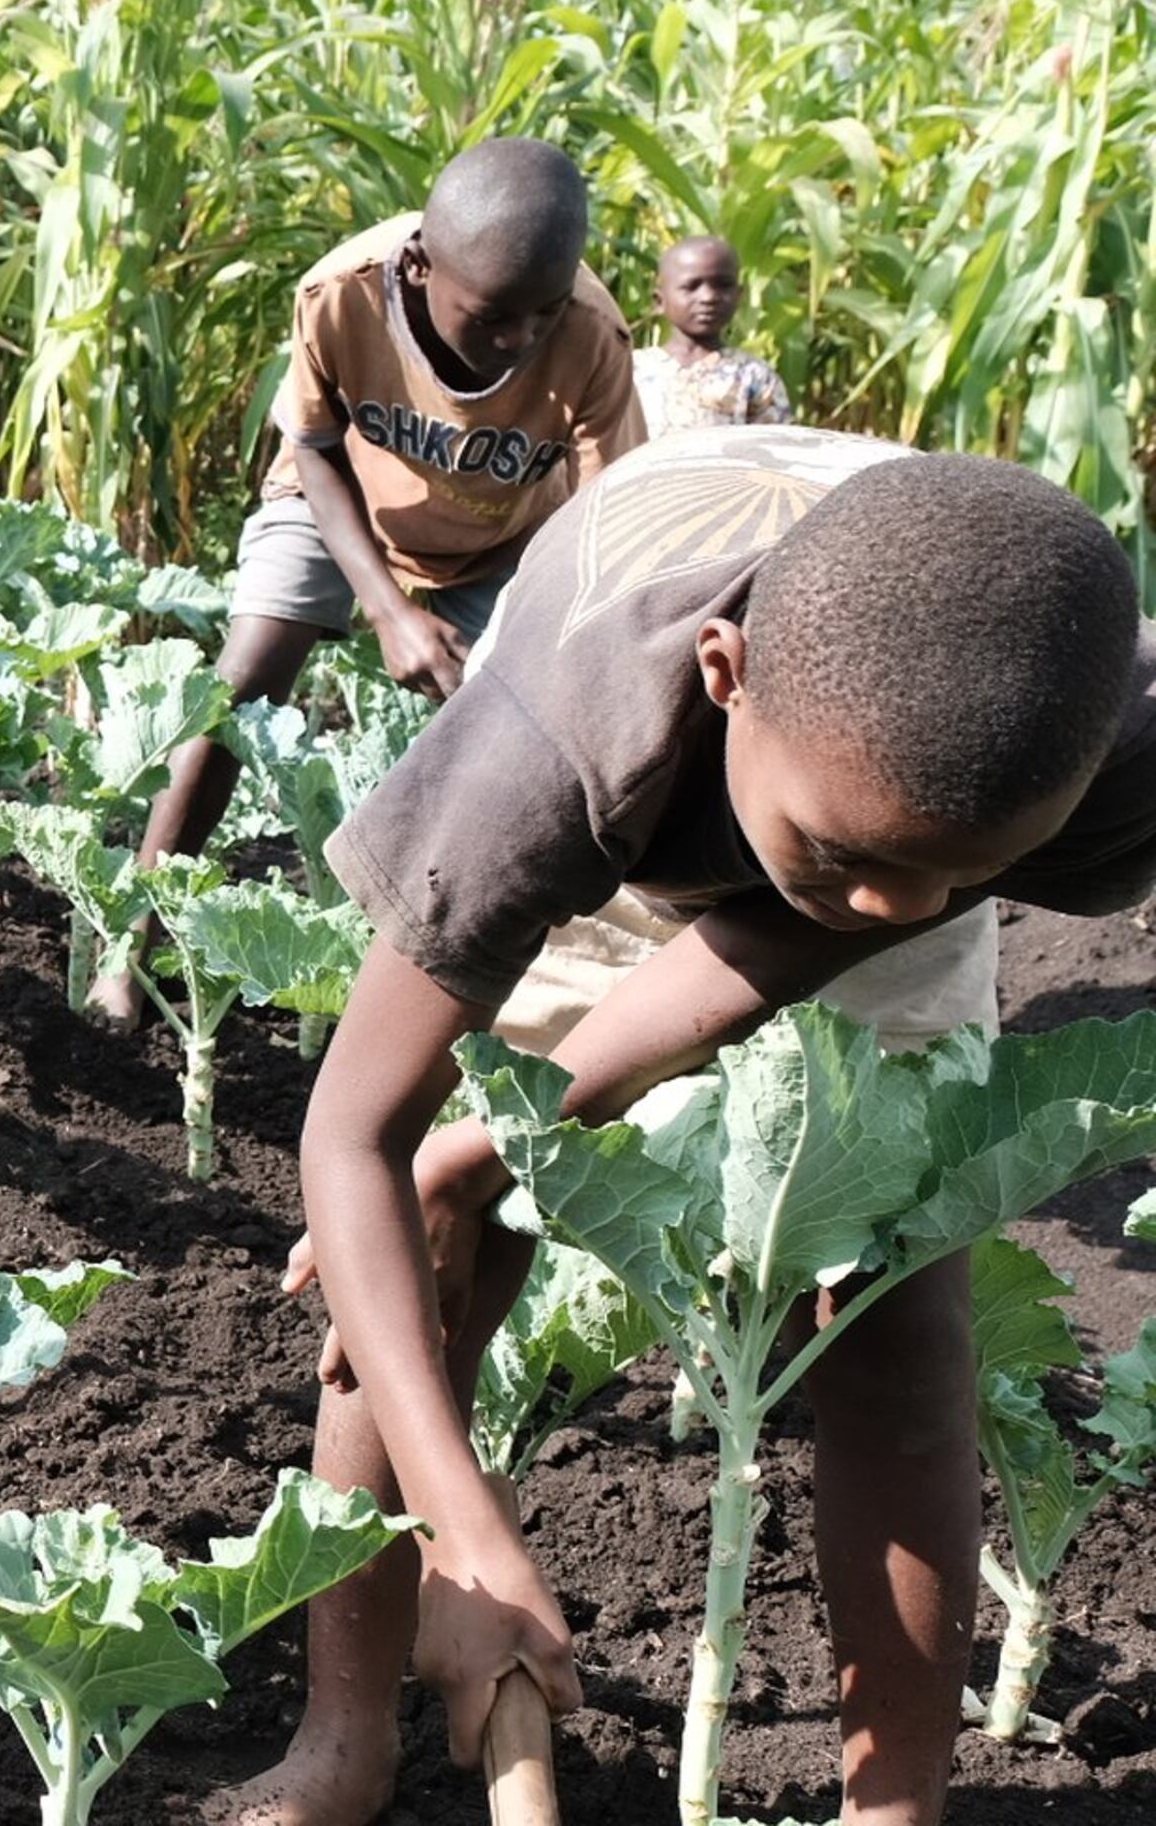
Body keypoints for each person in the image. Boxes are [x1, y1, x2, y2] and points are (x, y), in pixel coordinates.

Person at [231, 429, 1156, 1826]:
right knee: (413, 1255)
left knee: (894, 1312)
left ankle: (894, 1806)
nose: (902, 911)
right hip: (647, 783)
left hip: (885, 770)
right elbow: (350, 1136)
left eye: (962, 873)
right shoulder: (546, 759)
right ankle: (343, 1742)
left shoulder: (1072, 748)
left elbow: (828, 919)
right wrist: (466, 1536)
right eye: (862, 863)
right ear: (728, 678)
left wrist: (888, 872)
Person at [96, 138, 645, 1028]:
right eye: (494, 315)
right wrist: (388, 610)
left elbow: (608, 514)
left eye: (540, 315)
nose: (519, 338)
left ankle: (484, 991)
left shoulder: (590, 334)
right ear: (423, 264)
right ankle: (132, 943)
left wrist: (560, 657)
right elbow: (313, 448)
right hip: (340, 501)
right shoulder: (341, 295)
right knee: (237, 687)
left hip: (503, 537)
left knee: (522, 742)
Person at [635, 233, 792, 435]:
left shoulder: (753, 375)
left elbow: (776, 448)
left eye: (723, 285)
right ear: (659, 301)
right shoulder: (633, 371)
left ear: (739, 296)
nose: (708, 297)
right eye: (691, 287)